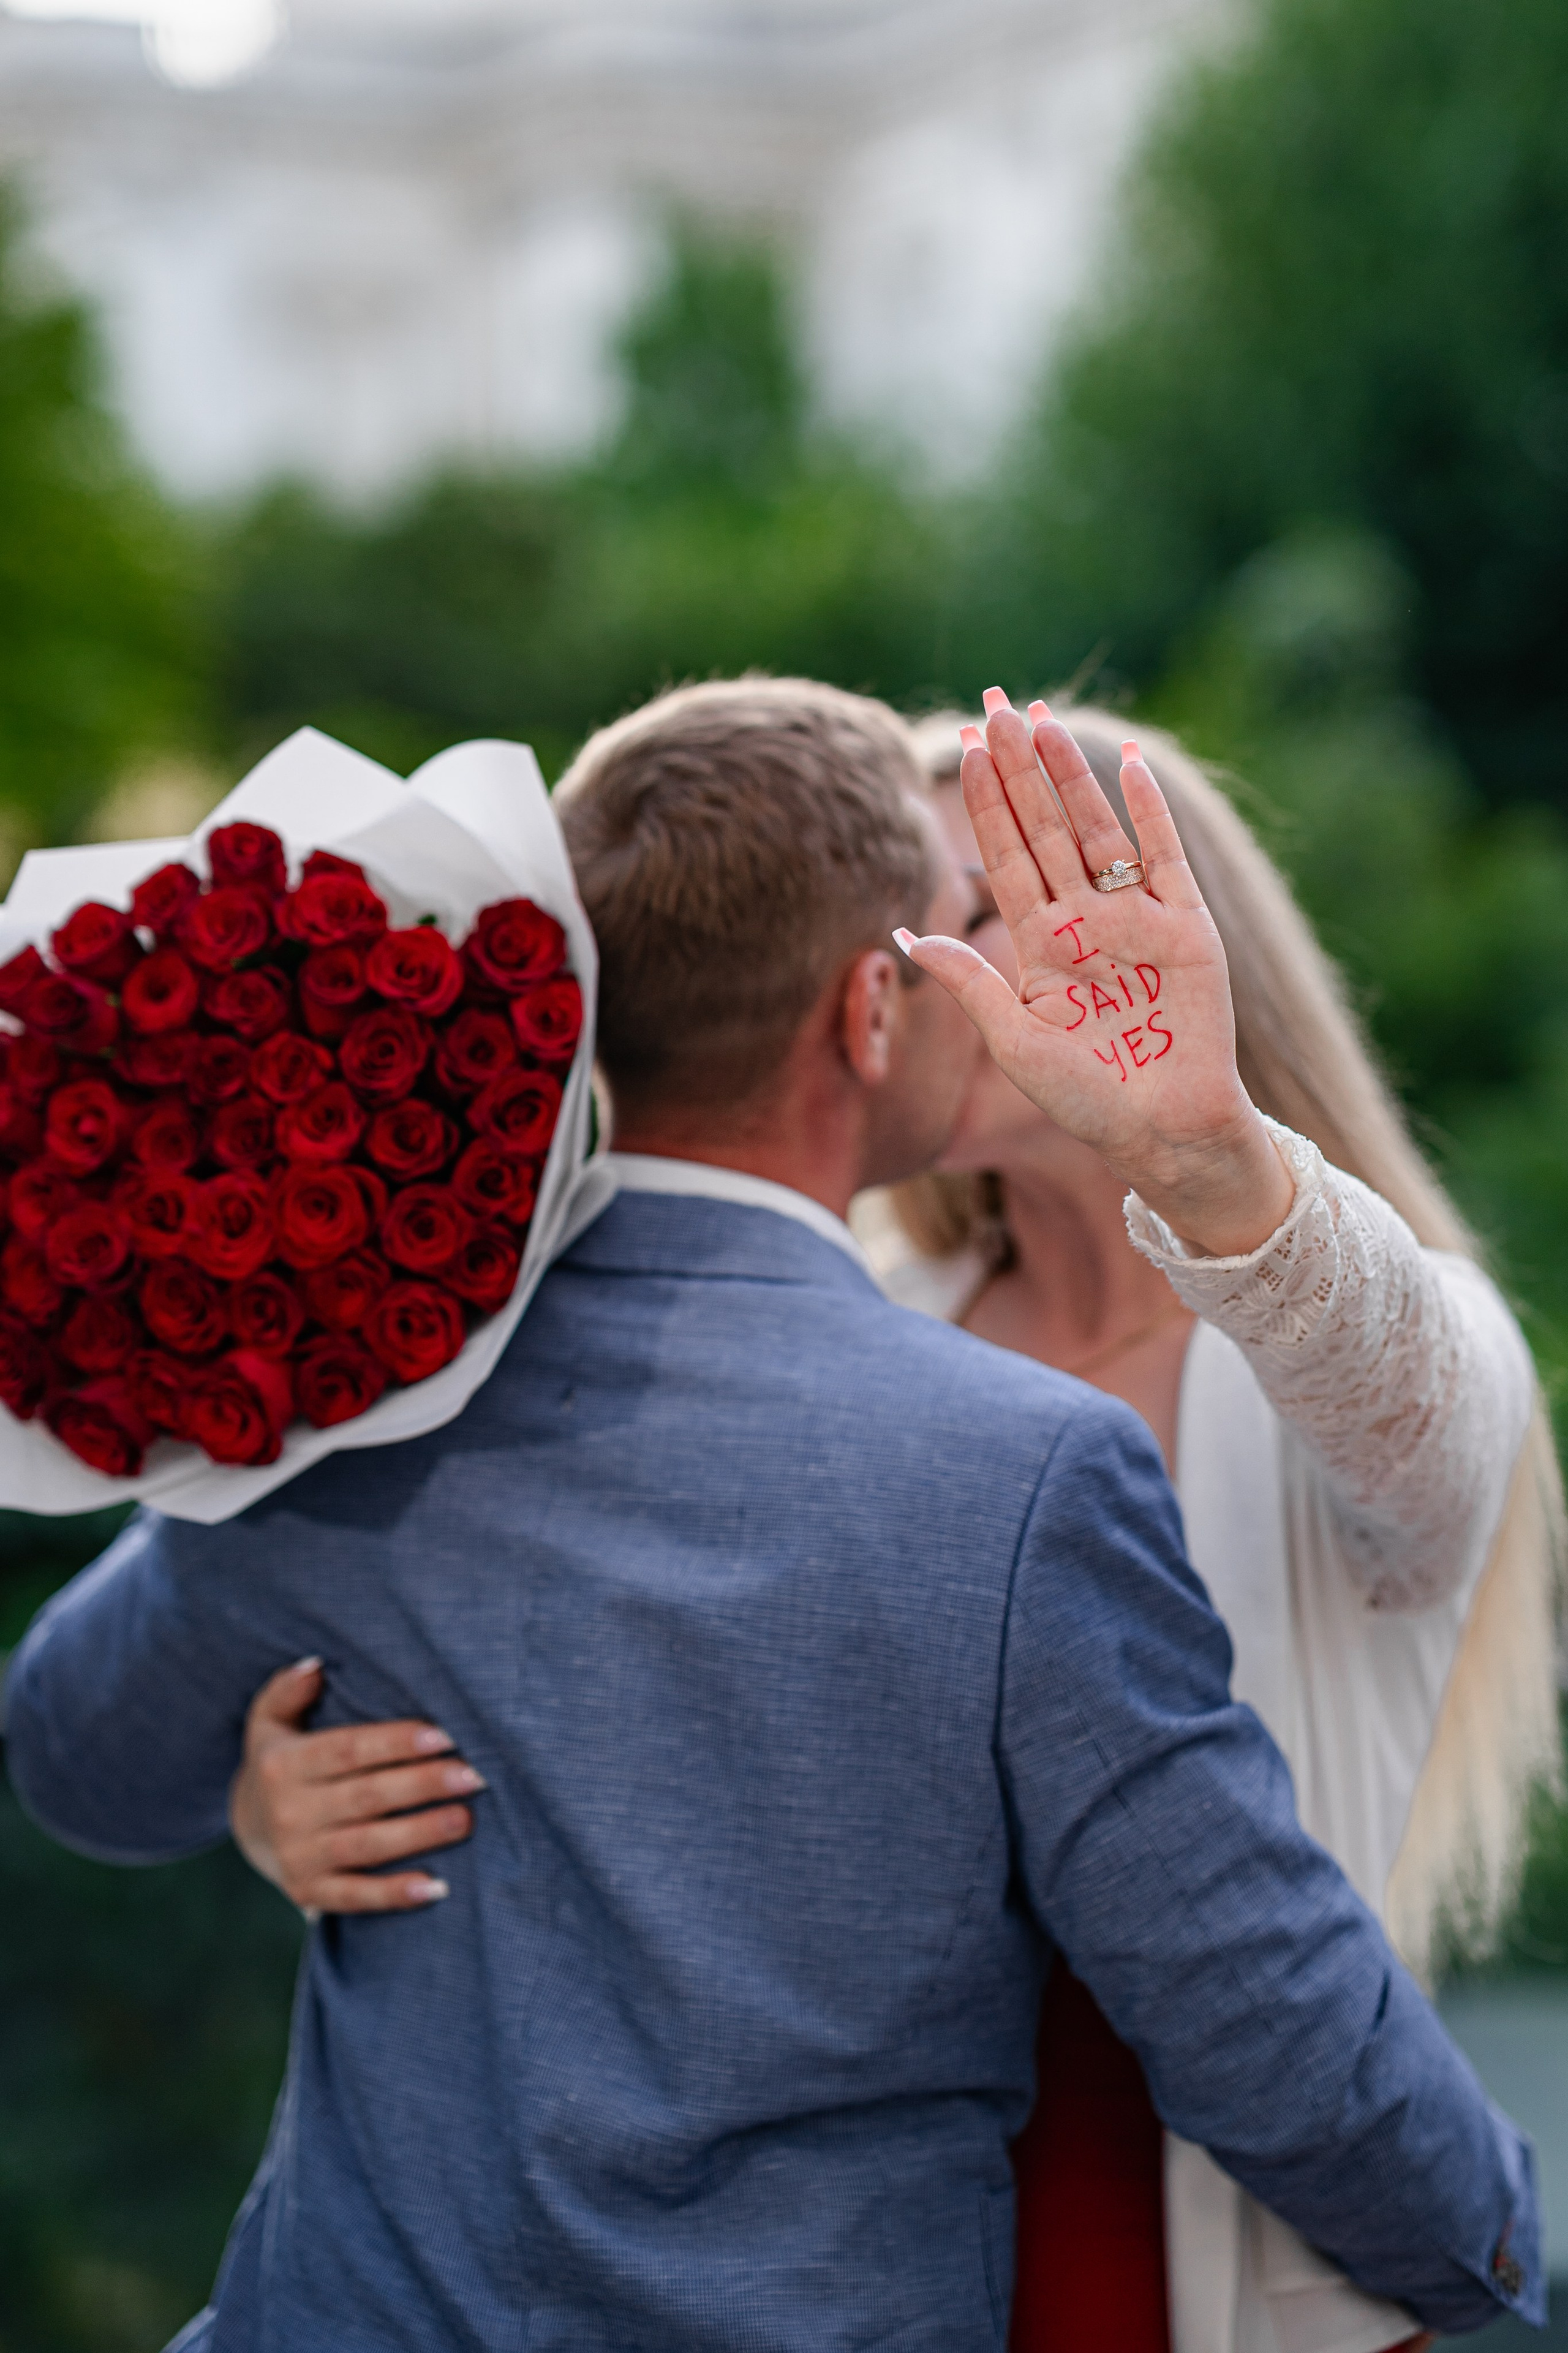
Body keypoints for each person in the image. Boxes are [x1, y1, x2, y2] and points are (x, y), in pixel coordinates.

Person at [1, 679, 1544, 2353]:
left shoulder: (386, 1376)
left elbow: (78, 1745)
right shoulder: (995, 1431)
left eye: (999, 913)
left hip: (1166, 2251)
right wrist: (269, 1781)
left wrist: (1212, 1151)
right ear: (869, 1010)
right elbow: (1270, 2015)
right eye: (943, 921)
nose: (971, 969)